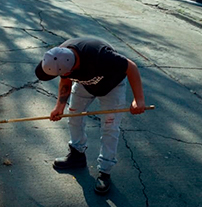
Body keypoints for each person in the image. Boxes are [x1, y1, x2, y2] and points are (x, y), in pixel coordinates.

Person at [35, 37, 147, 194]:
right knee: (73, 116)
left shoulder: (101, 55)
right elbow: (65, 82)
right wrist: (59, 106)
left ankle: (105, 171)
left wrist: (138, 99)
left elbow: (131, 67)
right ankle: (77, 155)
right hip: (85, 84)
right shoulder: (60, 55)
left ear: (69, 70)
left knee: (110, 126)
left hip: (112, 85)